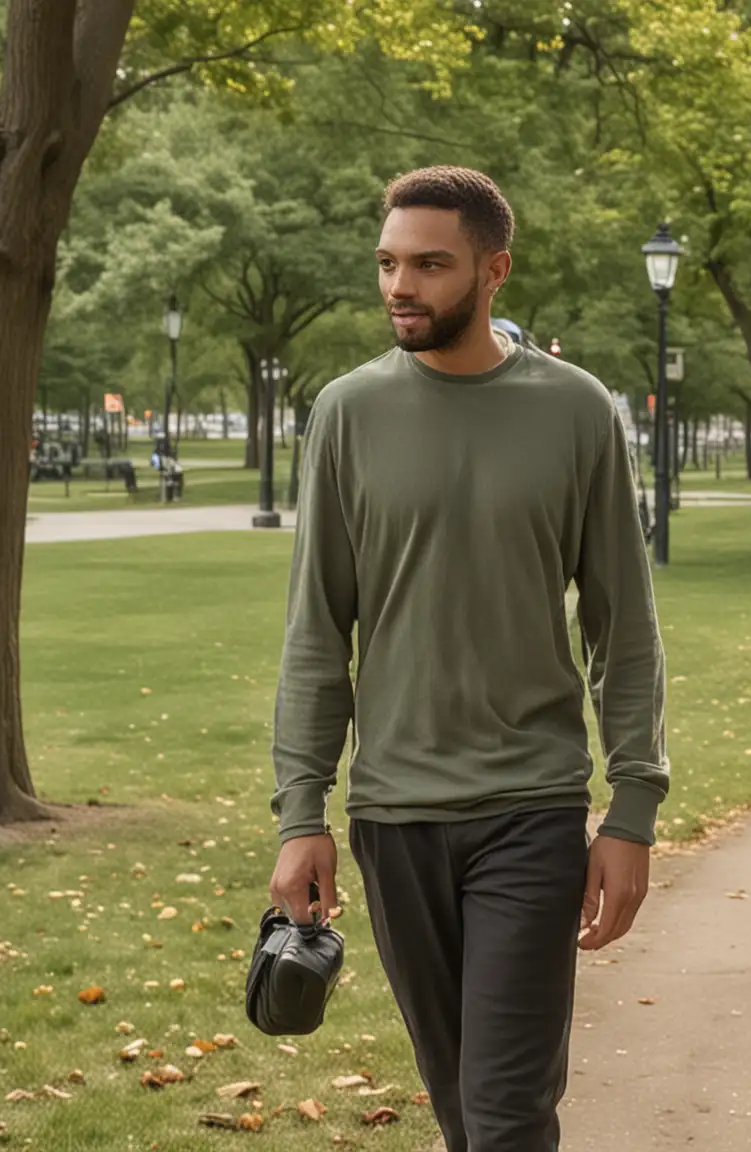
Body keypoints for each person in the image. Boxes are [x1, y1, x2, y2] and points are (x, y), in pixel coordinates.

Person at [268, 166, 668, 1152]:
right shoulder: (347, 415)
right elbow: (318, 629)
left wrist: (633, 809)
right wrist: (300, 814)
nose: (402, 285)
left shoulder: (575, 412)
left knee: (506, 1112)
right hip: (393, 814)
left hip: (528, 810)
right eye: (389, 264)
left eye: (430, 265)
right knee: (461, 1106)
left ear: (493, 273)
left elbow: (622, 624)